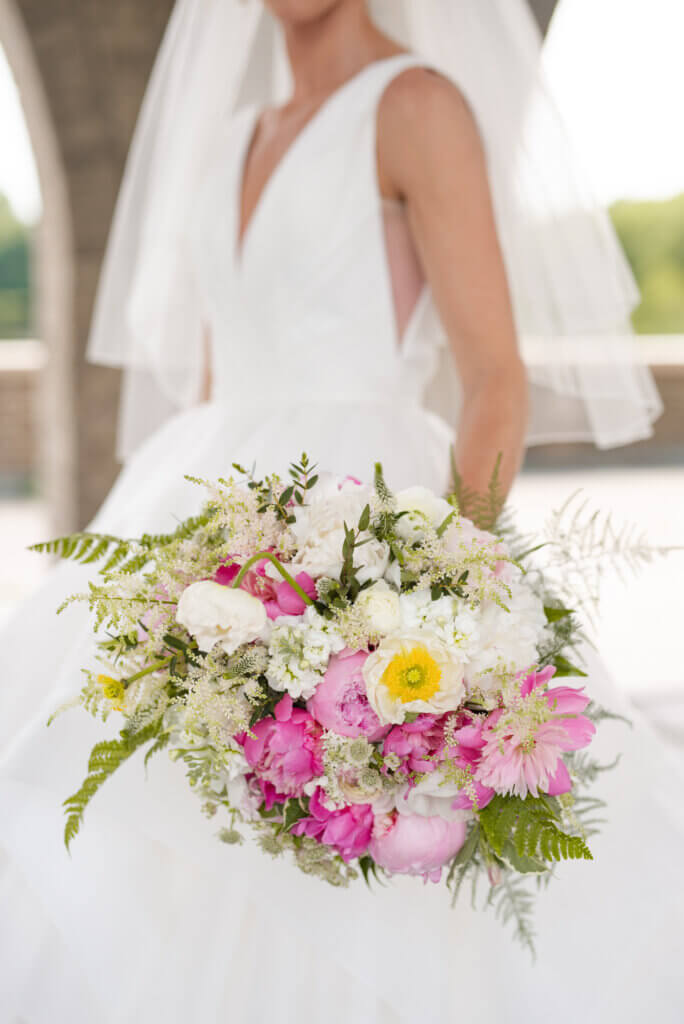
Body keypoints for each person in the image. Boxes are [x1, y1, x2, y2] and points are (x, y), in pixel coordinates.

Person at [1, 2, 681, 1022]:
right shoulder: (233, 133)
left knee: (366, 829)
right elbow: (219, 371)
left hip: (364, 511)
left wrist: (444, 598)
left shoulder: (416, 105)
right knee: (150, 812)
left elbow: (495, 376)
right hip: (213, 508)